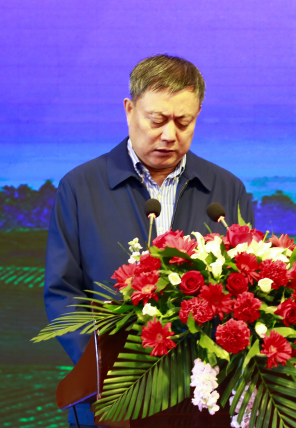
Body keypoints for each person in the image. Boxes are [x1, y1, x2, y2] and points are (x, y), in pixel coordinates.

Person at [44, 54, 254, 427]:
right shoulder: (80, 187)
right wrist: (109, 371)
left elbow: (245, 291)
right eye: (156, 120)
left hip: (201, 400)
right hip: (112, 398)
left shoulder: (226, 190)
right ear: (129, 110)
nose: (169, 135)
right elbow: (63, 292)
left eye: (183, 122)